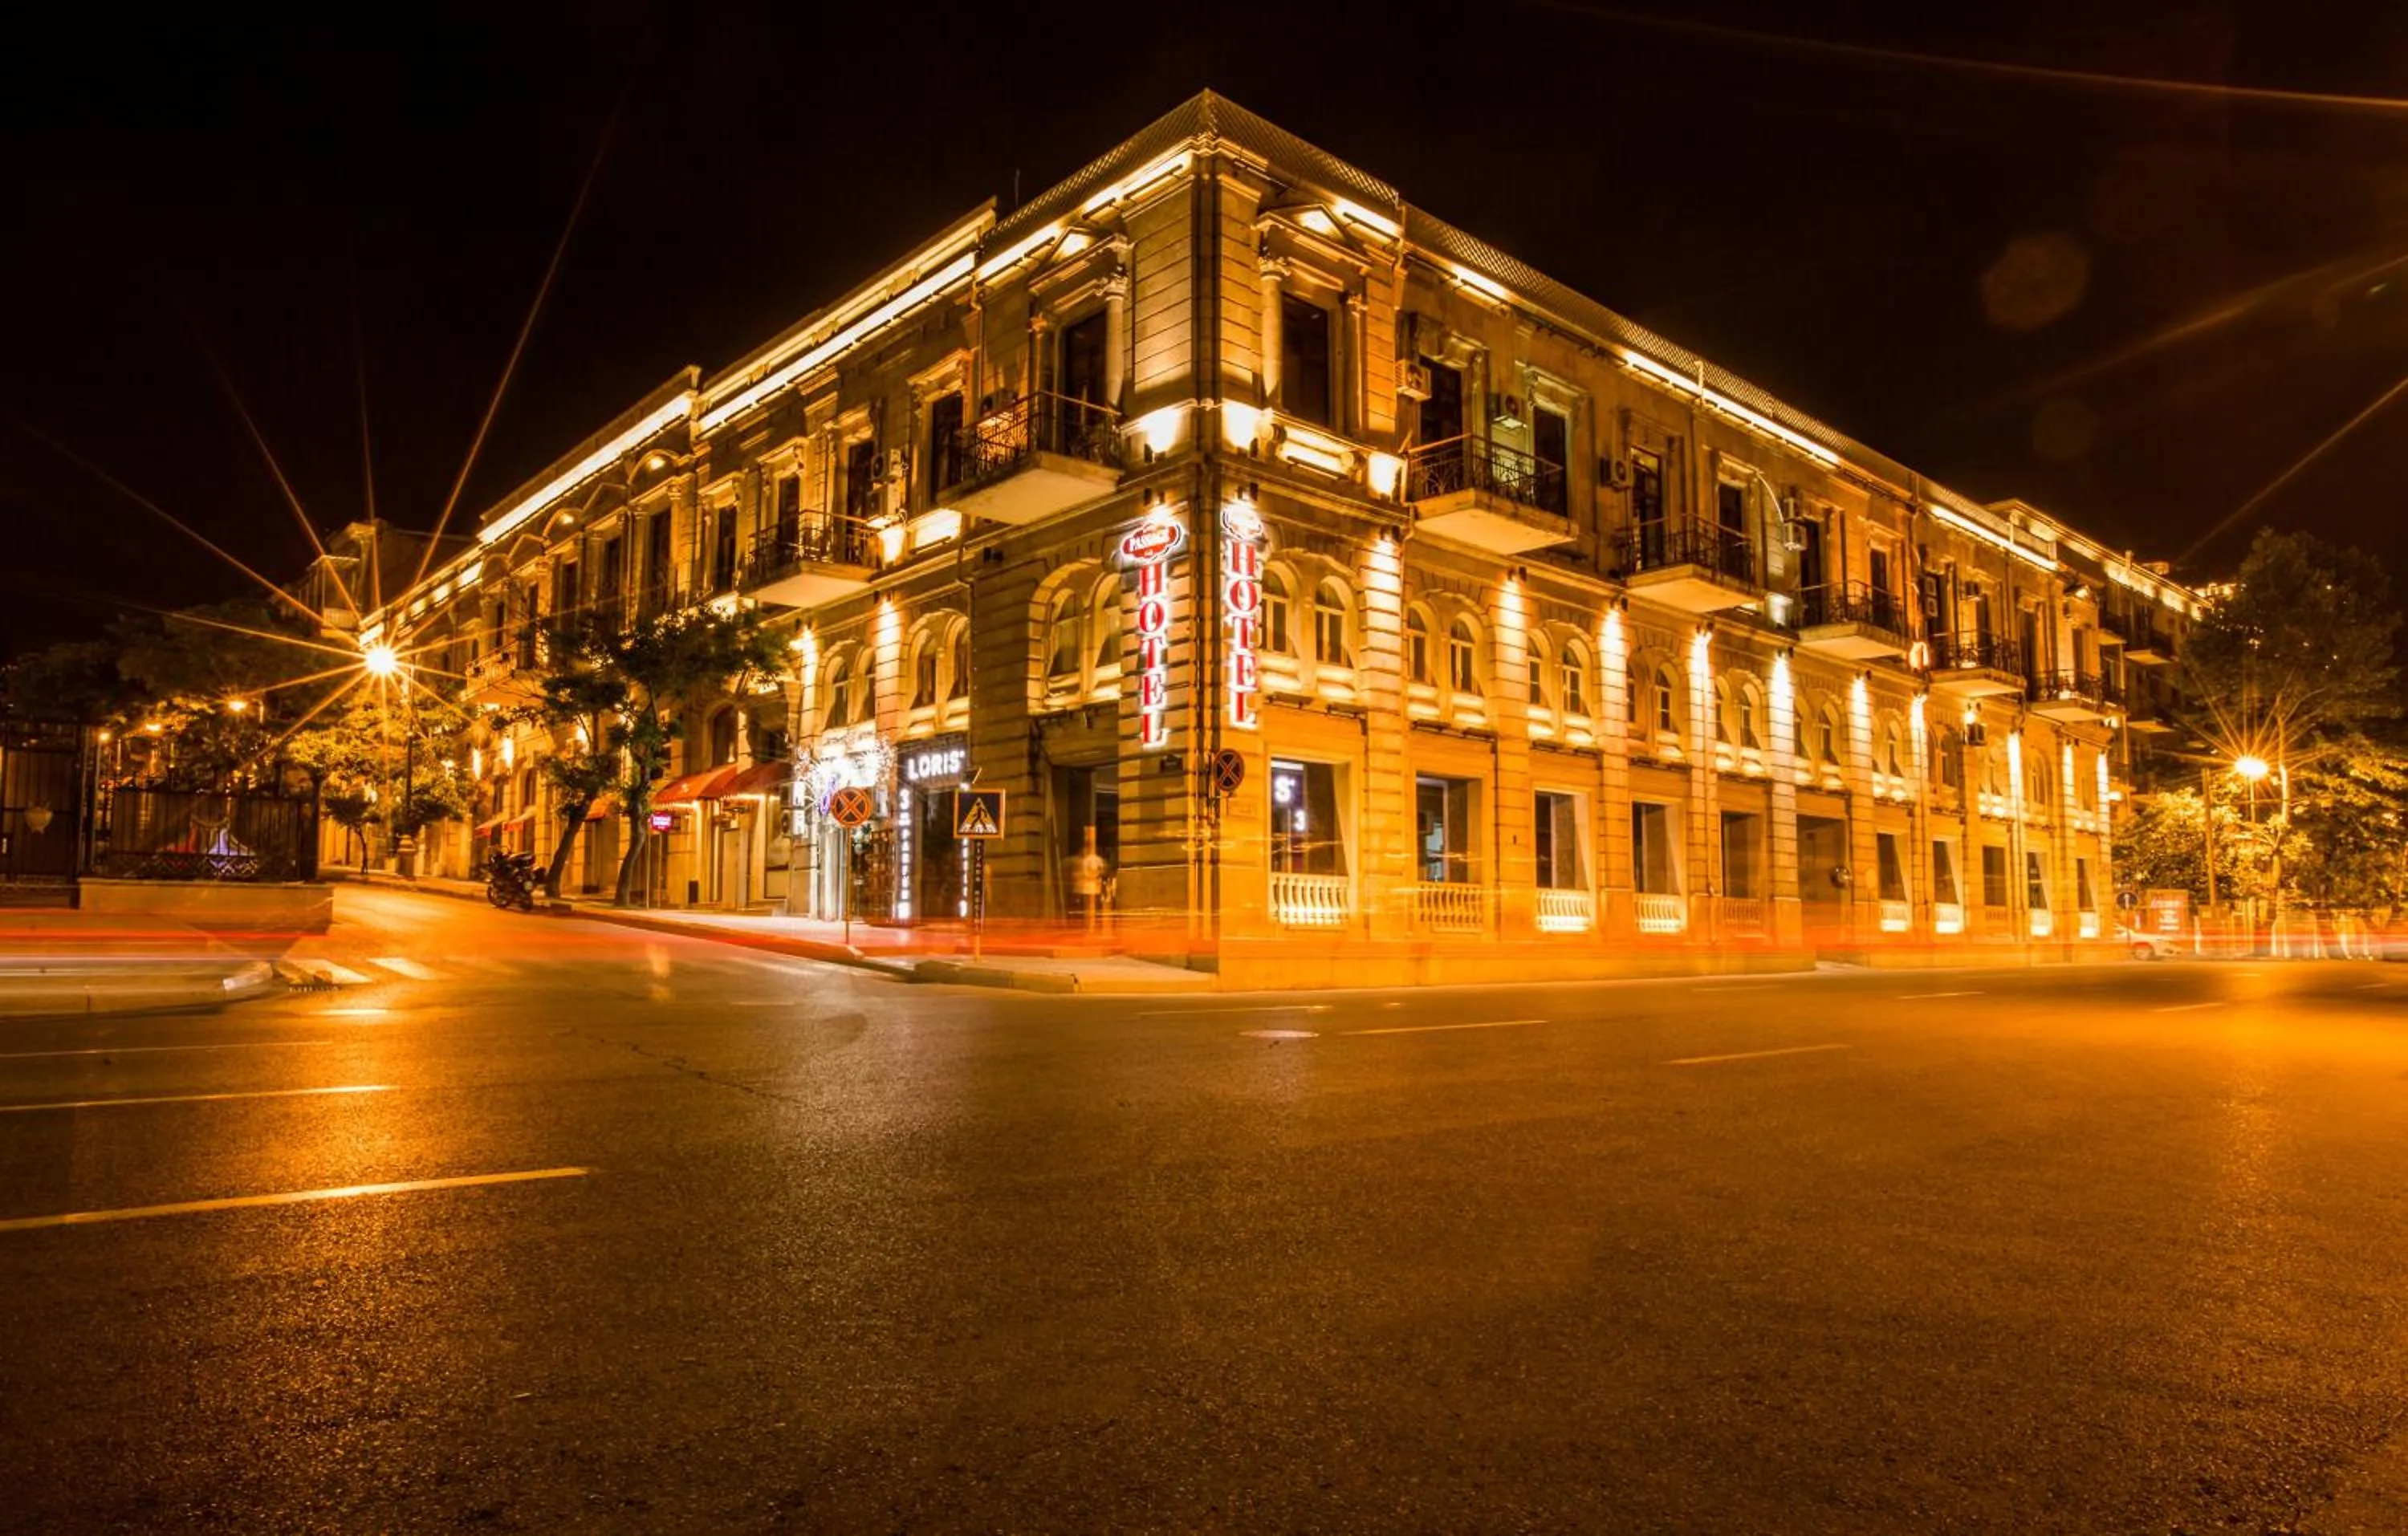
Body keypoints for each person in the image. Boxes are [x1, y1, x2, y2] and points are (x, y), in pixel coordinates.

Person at [1071, 827, 1108, 931]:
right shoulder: (1096, 860)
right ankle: (1091, 925)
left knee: (1089, 910)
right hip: (1092, 890)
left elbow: (1086, 874)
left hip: (1090, 890)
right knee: (1092, 910)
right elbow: (1102, 872)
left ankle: (1090, 925)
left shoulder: (1089, 861)